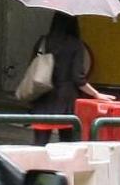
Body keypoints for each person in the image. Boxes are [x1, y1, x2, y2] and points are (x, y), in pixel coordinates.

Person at [28, 11, 113, 141]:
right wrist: (96, 94)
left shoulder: (43, 41)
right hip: (66, 100)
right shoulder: (75, 45)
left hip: (43, 96)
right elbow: (78, 78)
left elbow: (32, 67)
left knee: (40, 144)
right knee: (67, 145)